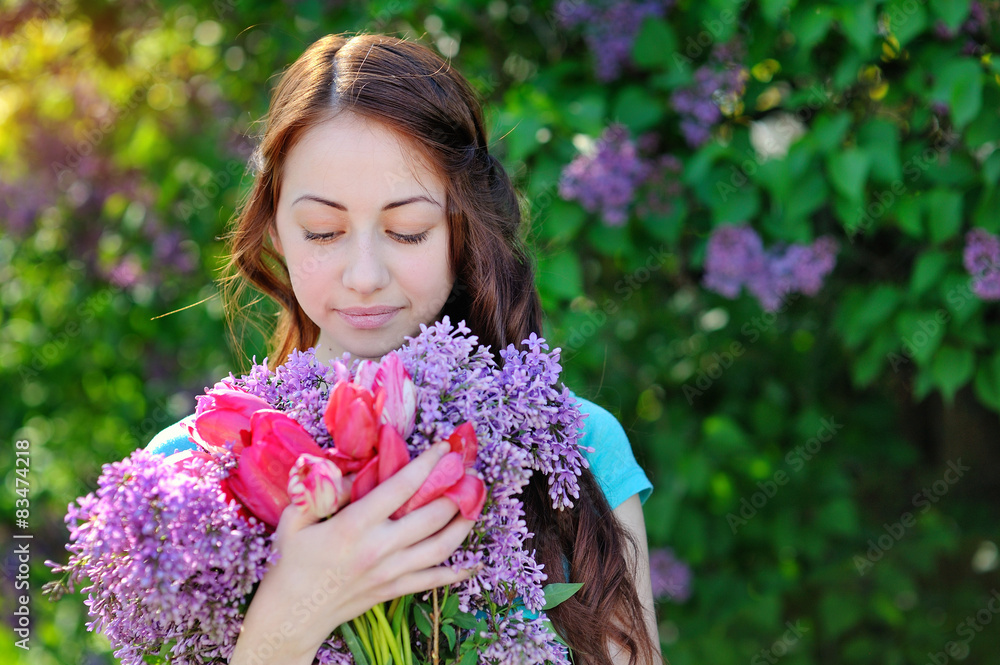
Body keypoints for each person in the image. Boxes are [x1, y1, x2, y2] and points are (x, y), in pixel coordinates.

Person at [146, 33, 661, 665]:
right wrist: (288, 619)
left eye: (408, 231)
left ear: (461, 229)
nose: (365, 276)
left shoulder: (572, 447)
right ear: (275, 230)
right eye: (323, 231)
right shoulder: (191, 468)